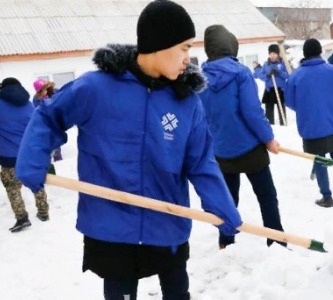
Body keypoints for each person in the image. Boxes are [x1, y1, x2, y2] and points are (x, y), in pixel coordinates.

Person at [16, 1, 242, 299]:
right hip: (111, 226)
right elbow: (48, 116)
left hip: (167, 222)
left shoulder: (186, 101)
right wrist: (33, 158)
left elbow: (200, 162)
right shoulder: (96, 88)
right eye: (184, 48)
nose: (189, 58)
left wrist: (222, 209)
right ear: (161, 44)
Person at [199, 24, 286, 249]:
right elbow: (253, 113)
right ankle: (276, 241)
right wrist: (268, 138)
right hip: (250, 148)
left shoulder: (200, 78)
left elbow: (202, 117)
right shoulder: (241, 73)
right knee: (266, 196)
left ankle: (226, 242)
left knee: (227, 200)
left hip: (221, 151)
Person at [284, 38, 333, 208]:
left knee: (319, 161)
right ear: (320, 52)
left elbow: (289, 101)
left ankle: (326, 197)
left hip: (311, 127)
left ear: (304, 54)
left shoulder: (295, 76)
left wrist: (306, 107)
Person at [0, 77, 50, 232]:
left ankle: (22, 218)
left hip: (8, 156)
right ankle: (43, 212)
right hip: (29, 154)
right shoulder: (29, 105)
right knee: (36, 181)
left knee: (12, 188)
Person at [32, 79, 63, 163]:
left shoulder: (56, 92)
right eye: (42, 90)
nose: (45, 91)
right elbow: (38, 111)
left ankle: (58, 158)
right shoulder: (36, 99)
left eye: (46, 88)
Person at [259, 44, 289, 125]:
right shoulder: (266, 64)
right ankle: (270, 124)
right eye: (271, 54)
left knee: (281, 107)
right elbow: (260, 75)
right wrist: (267, 75)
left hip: (280, 89)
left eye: (274, 54)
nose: (272, 56)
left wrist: (279, 72)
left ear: (278, 54)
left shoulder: (282, 64)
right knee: (269, 108)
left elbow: (287, 75)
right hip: (269, 89)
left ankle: (283, 123)